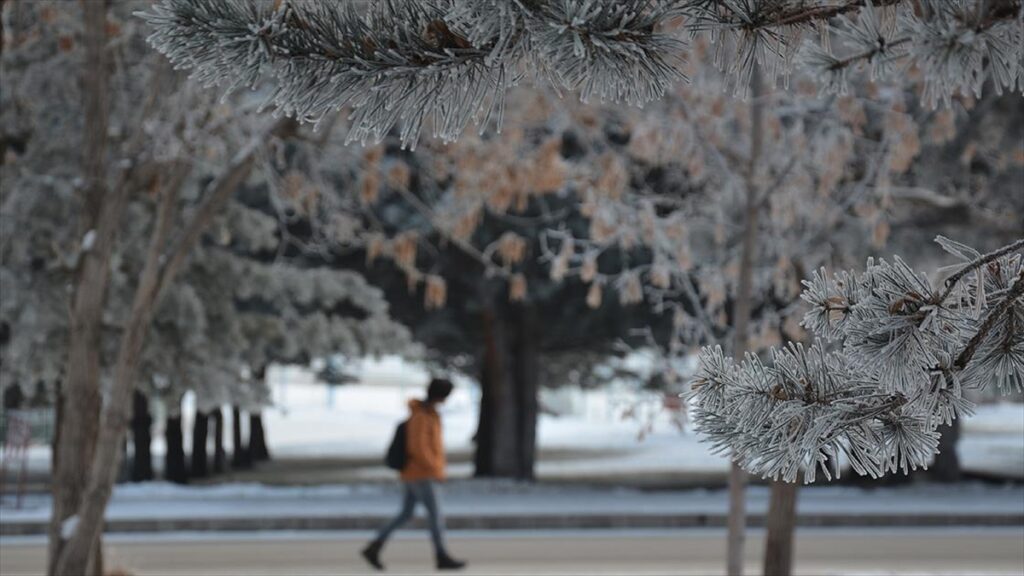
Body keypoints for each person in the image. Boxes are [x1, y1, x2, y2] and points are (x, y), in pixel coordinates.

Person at [362, 378, 466, 571]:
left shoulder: (428, 414)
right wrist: (434, 469)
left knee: (405, 514)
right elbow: (418, 448)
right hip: (421, 474)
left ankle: (375, 547)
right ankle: (441, 555)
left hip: (416, 473)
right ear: (442, 395)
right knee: (435, 516)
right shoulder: (422, 416)